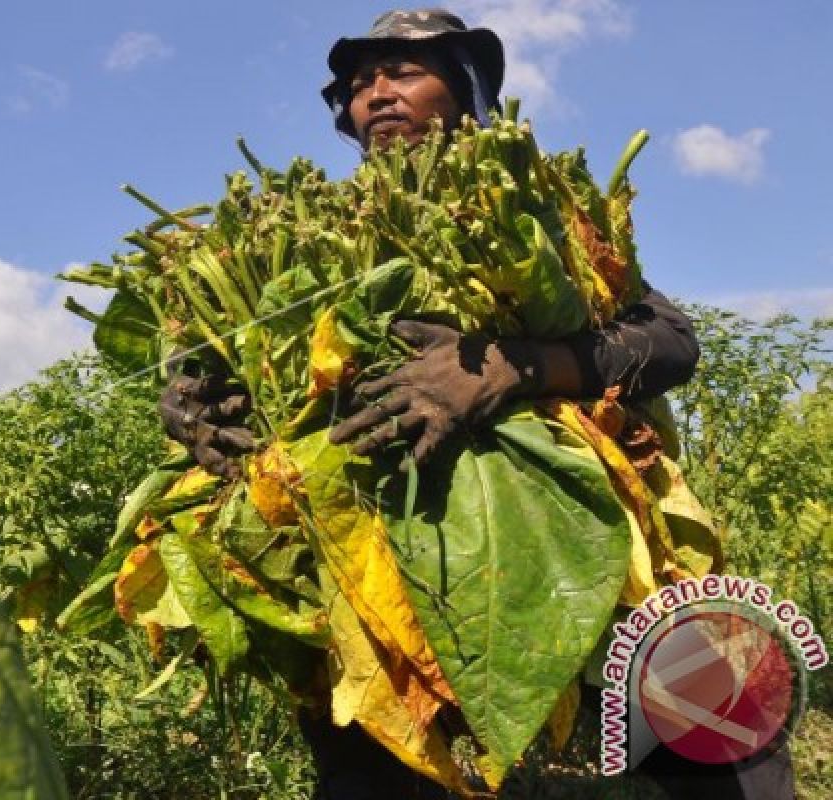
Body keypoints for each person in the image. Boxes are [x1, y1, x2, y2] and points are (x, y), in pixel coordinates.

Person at [159, 8, 794, 799]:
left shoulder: (532, 204)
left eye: (405, 73)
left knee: (717, 733)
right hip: (366, 522)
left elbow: (668, 342)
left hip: (551, 505)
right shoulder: (305, 226)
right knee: (375, 756)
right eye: (361, 83)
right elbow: (213, 353)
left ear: (466, 92)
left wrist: (509, 367)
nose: (378, 94)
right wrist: (187, 402)